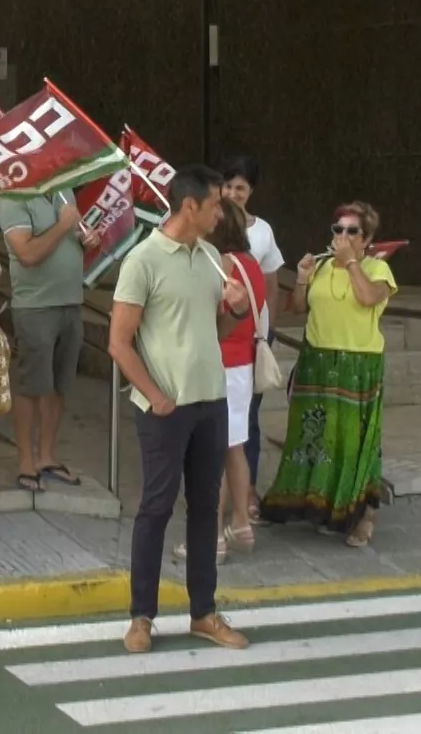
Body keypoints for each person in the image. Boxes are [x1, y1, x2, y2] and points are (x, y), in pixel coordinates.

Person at [108, 164, 250, 654]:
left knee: (206, 508)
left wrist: (234, 307)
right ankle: (141, 616)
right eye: (215, 204)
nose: (221, 212)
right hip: (165, 408)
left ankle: (203, 613)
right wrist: (155, 394)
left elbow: (218, 331)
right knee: (156, 506)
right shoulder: (143, 260)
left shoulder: (212, 257)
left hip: (211, 400)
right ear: (190, 206)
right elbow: (119, 343)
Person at [262, 201, 397, 548]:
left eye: (352, 231)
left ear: (366, 238)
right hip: (318, 361)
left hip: (357, 365)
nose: (343, 236)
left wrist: (352, 262)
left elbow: (367, 299)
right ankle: (321, 506)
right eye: (338, 229)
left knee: (356, 439)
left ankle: (365, 513)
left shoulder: (377, 270)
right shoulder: (322, 267)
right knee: (316, 437)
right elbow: (299, 307)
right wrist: (303, 279)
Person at [175, 200, 266, 563]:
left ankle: (211, 539)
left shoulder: (219, 264)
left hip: (219, 364)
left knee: (210, 454)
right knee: (235, 446)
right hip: (243, 363)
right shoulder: (252, 264)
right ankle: (241, 521)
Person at [0, 189, 99, 492]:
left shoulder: (63, 192)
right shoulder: (13, 200)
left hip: (71, 301)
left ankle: (47, 456)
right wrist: (63, 225)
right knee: (32, 385)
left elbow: (73, 239)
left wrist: (88, 240)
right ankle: (26, 460)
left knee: (59, 383)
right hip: (35, 305)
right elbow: (27, 254)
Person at [220, 155, 282, 525]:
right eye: (227, 186)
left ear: (251, 191)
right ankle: (232, 510)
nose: (232, 193)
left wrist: (265, 331)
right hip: (226, 344)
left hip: (248, 340)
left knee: (246, 422)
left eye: (240, 187)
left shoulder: (263, 233)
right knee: (225, 430)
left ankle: (247, 494)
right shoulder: (210, 230)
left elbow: (270, 286)